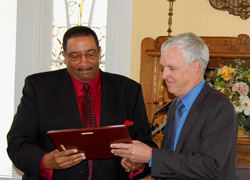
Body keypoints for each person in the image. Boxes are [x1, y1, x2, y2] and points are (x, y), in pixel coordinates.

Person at [7, 26, 157, 180]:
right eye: (75, 56)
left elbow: (145, 144)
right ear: (64, 56)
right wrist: (46, 161)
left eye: (90, 54)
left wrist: (138, 164)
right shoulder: (38, 87)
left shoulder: (129, 90)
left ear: (99, 52)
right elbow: (17, 143)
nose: (84, 62)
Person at [111, 32, 238, 180]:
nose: (164, 75)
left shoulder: (220, 107)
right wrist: (145, 165)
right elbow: (175, 162)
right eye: (163, 68)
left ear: (195, 68)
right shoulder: (176, 105)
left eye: (172, 68)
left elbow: (210, 166)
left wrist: (151, 156)